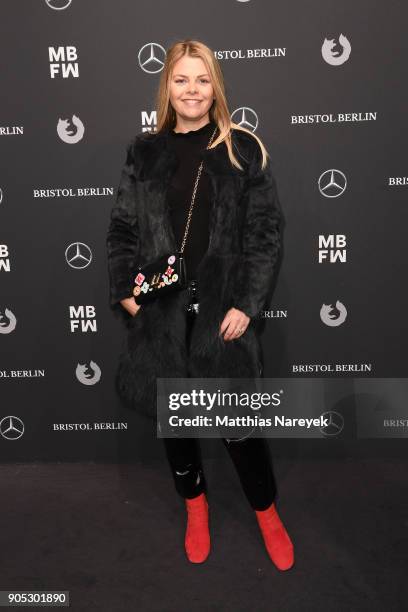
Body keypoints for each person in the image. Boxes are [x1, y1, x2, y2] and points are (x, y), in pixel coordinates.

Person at [106, 39, 294, 570]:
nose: (192, 90)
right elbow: (121, 228)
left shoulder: (242, 148)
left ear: (217, 87)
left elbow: (265, 233)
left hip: (222, 315)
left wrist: (247, 304)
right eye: (182, 79)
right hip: (160, 314)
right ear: (167, 86)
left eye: (203, 79)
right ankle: (195, 506)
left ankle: (266, 512)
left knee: (238, 426)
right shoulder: (144, 152)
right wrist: (127, 295)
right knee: (178, 425)